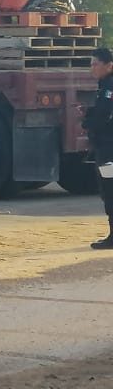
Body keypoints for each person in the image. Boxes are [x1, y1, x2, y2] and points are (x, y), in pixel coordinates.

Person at [82, 47, 113, 249]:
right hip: (105, 146)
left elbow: (103, 116)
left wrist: (87, 121)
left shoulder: (109, 87)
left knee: (109, 189)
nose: (92, 68)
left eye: (95, 64)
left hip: (109, 150)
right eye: (91, 63)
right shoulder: (105, 84)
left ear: (109, 65)